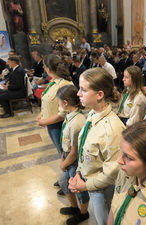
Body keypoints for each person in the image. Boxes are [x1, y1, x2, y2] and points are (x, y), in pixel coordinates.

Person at [68, 68, 125, 225]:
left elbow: (111, 174)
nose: (78, 93)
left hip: (102, 189)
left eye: (83, 90)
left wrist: (84, 185)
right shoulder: (93, 114)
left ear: (99, 95)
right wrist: (79, 173)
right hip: (90, 182)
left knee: (104, 221)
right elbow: (84, 148)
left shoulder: (112, 129)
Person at [55, 85, 90, 225]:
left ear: (65, 102)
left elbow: (75, 152)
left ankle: (83, 213)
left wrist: (63, 164)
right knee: (64, 182)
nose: (58, 103)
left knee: (79, 188)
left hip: (74, 161)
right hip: (68, 156)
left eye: (58, 101)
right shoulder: (70, 116)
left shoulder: (76, 122)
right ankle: (74, 208)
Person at [35, 54, 73, 159]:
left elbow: (63, 113)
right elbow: (49, 101)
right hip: (51, 123)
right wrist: (41, 114)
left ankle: (69, 173)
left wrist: (44, 122)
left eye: (44, 66)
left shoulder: (64, 84)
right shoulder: (54, 82)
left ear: (48, 69)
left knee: (65, 152)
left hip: (59, 124)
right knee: (60, 151)